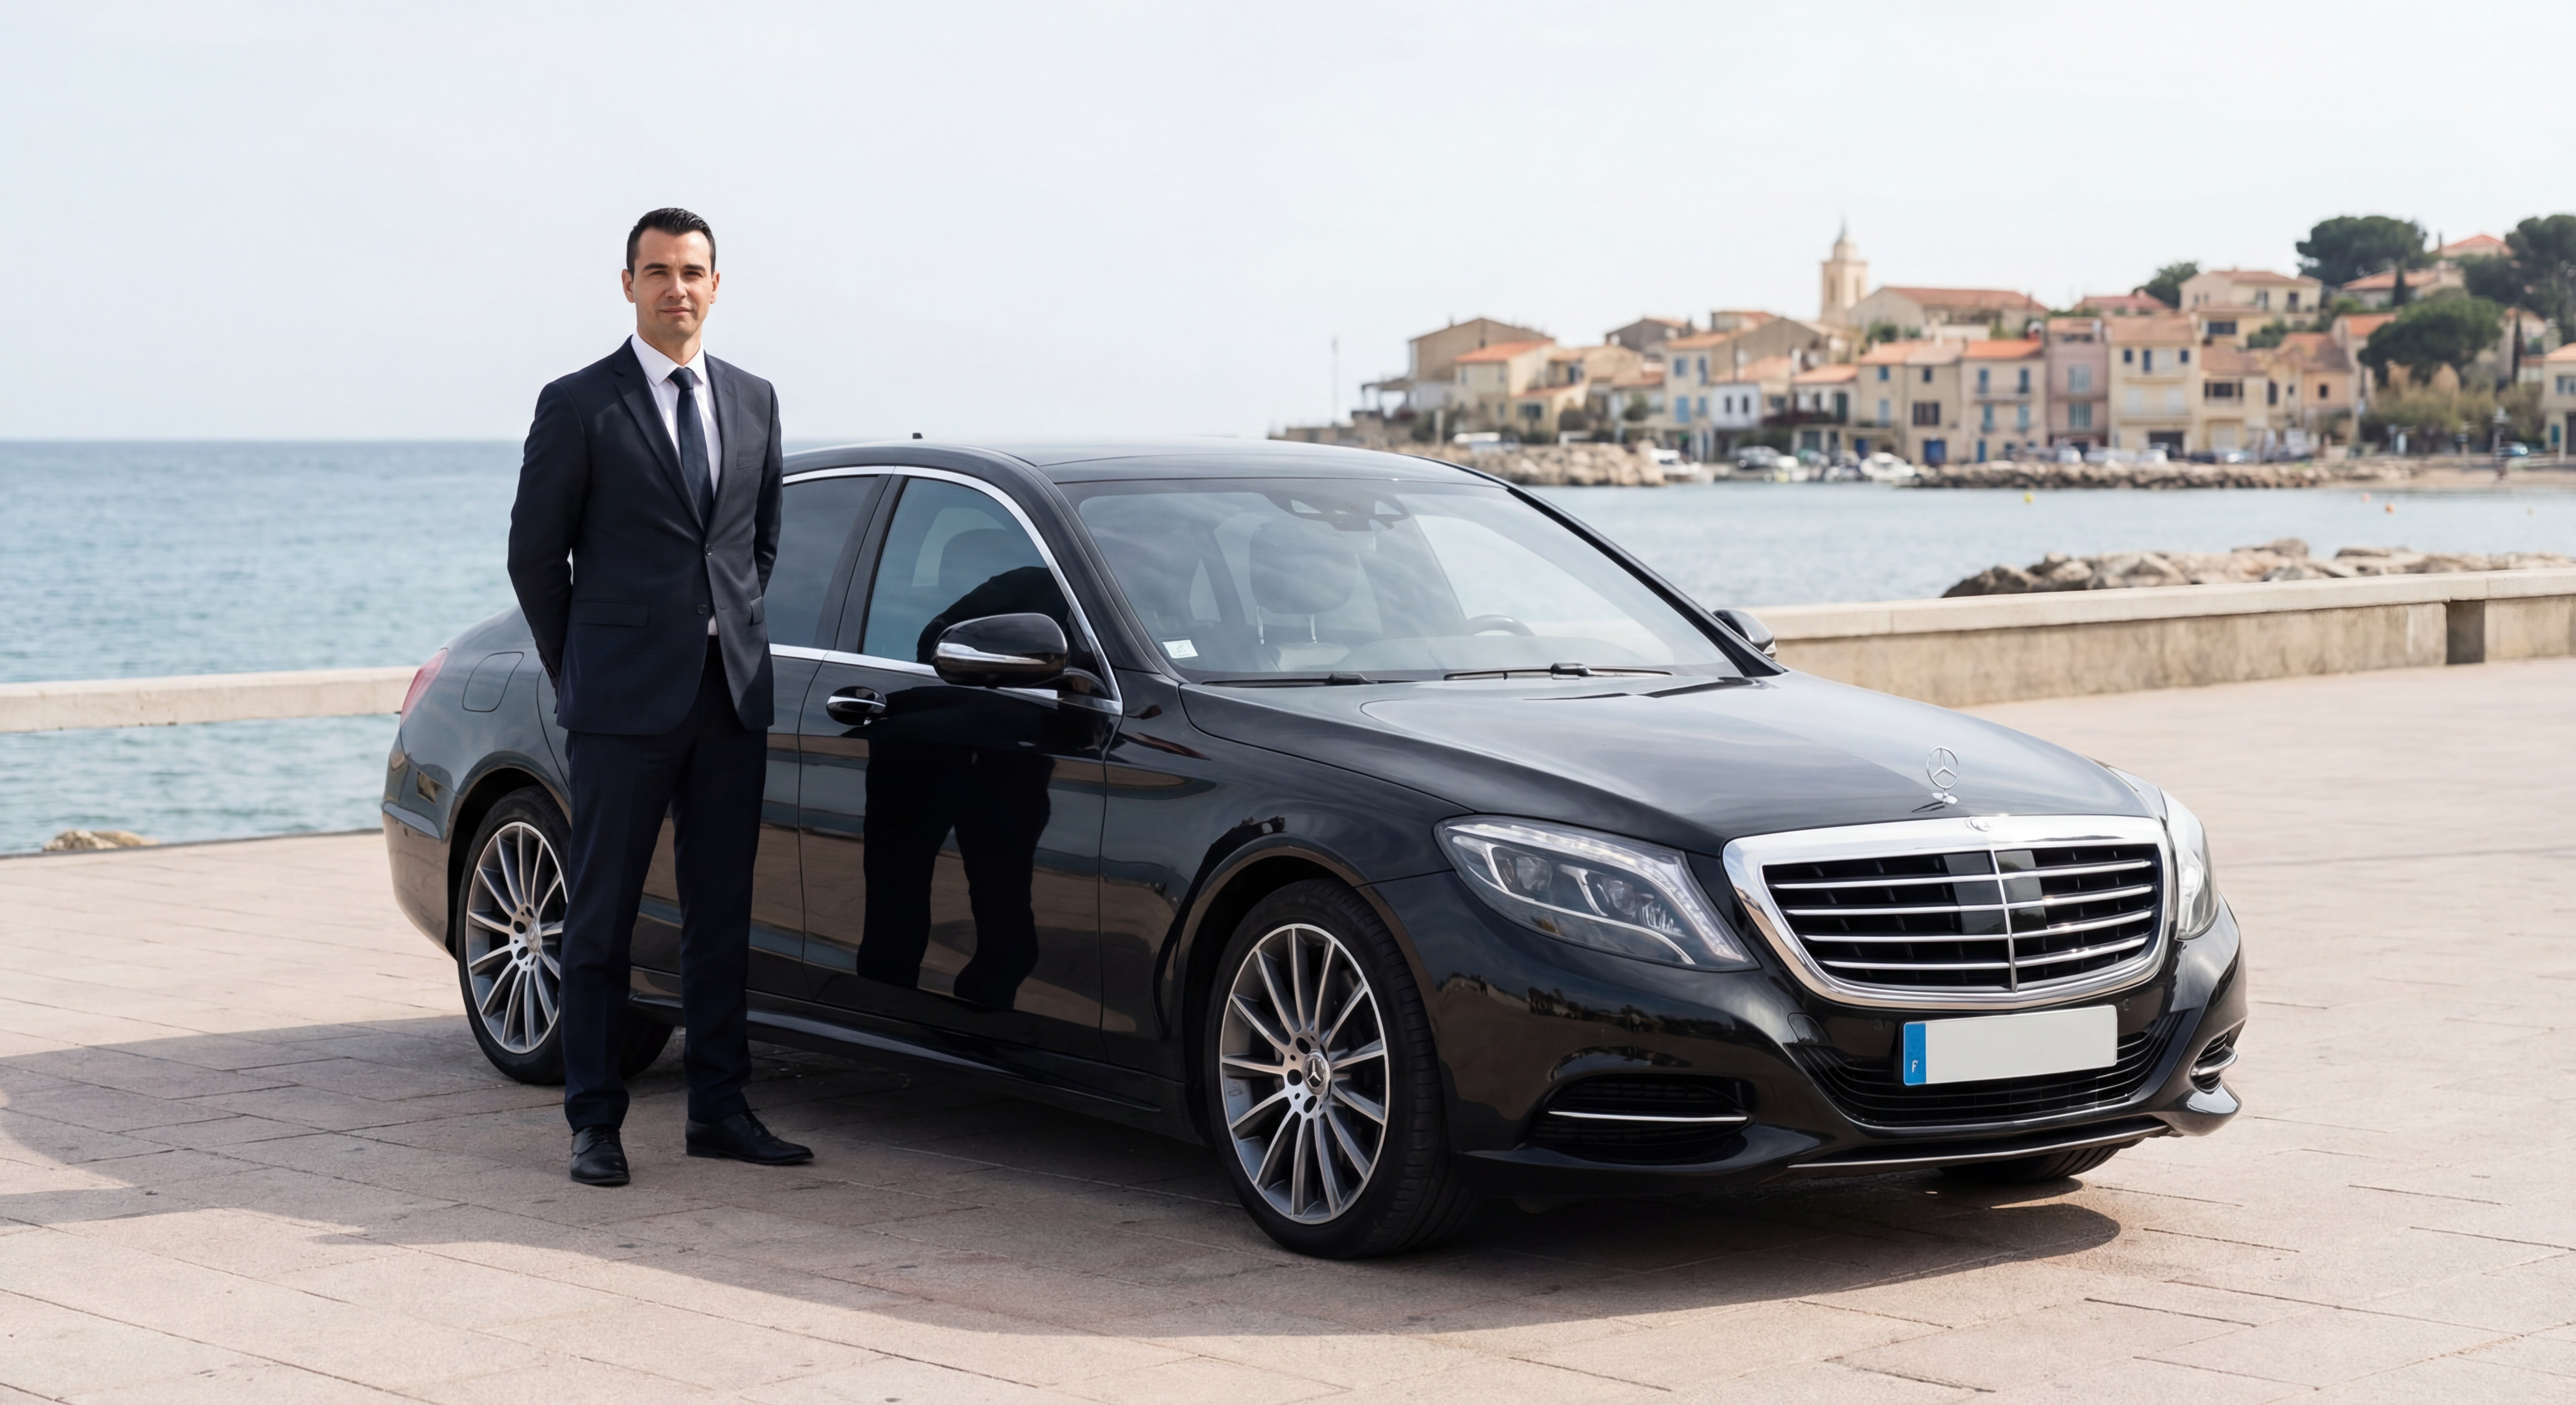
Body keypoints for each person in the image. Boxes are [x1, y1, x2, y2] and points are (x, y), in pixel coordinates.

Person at [507, 207, 811, 1186]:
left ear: (716, 285)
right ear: (628, 285)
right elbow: (534, 558)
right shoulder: (579, 403)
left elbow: (756, 545)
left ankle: (719, 1110)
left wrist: (731, 631)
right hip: (621, 710)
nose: (676, 287)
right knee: (599, 919)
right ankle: (594, 1123)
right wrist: (581, 672)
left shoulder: (755, 400)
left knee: (721, 916)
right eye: (657, 271)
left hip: (729, 702)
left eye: (692, 271)